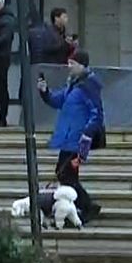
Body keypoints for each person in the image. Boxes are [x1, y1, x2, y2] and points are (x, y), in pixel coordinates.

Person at [38, 49, 104, 224]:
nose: (69, 66)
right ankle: (79, 207)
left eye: (72, 63)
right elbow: (58, 100)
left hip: (77, 140)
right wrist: (45, 92)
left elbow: (96, 114)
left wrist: (87, 134)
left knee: (66, 174)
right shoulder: (73, 84)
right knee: (65, 174)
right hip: (68, 139)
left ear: (82, 65)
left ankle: (87, 206)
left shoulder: (88, 86)